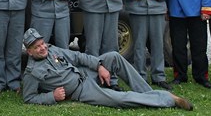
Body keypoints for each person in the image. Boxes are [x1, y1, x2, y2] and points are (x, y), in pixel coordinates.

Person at [21, 28, 194, 111]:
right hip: (82, 90)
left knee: (113, 56)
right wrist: (52, 96)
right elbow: (29, 98)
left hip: (85, 74)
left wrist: (99, 66)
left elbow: (80, 57)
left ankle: (148, 93)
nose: (43, 48)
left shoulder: (53, 50)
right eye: (37, 47)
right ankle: (168, 100)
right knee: (120, 99)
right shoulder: (32, 72)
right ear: (29, 51)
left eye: (42, 43)